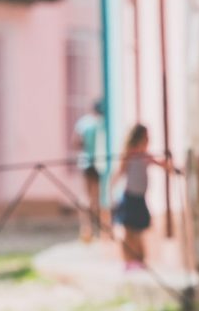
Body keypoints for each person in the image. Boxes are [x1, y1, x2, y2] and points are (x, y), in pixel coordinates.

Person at [110, 123, 176, 271]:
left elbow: (161, 164)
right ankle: (128, 261)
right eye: (146, 137)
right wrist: (111, 189)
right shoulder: (130, 155)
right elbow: (120, 171)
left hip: (140, 198)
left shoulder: (145, 156)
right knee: (129, 232)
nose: (148, 140)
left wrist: (174, 169)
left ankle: (139, 260)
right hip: (130, 197)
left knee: (139, 231)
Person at [73, 100, 106, 242]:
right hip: (100, 161)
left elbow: (75, 142)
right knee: (96, 197)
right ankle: (96, 228)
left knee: (86, 197)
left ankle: (86, 228)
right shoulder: (102, 123)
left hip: (86, 161)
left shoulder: (84, 123)